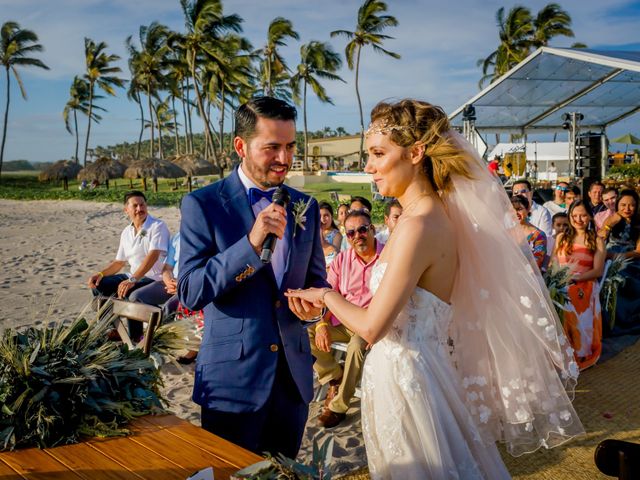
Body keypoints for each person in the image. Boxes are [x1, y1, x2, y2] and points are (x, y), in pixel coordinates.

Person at [287, 99, 582, 478]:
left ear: (415, 152)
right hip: (419, 370)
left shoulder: (418, 225)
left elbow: (373, 326)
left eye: (378, 154)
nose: (369, 167)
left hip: (408, 378)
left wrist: (325, 296)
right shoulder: (429, 215)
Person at [177, 96, 328, 459]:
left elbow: (319, 283)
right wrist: (249, 243)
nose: (284, 158)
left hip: (292, 381)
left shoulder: (304, 206)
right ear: (241, 146)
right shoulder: (203, 205)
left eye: (290, 146)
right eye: (272, 147)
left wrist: (315, 310)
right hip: (232, 384)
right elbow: (189, 291)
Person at [311, 209, 382, 428]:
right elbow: (327, 293)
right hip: (342, 322)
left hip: (370, 324)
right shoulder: (342, 259)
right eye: (351, 233)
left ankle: (339, 405)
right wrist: (322, 324)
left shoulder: (387, 256)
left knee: (355, 347)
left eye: (362, 229)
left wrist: (376, 328)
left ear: (372, 229)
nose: (357, 236)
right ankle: (334, 375)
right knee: (303, 332)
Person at [88, 190, 170, 340]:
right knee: (100, 285)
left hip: (154, 278)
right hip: (133, 275)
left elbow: (153, 255)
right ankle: (114, 330)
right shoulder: (126, 232)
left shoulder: (157, 226)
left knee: (129, 293)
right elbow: (119, 262)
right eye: (135, 206)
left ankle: (136, 337)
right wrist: (100, 274)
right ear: (126, 210)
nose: (140, 209)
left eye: (142, 204)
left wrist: (133, 280)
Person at [552, 200, 605, 370]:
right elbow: (554, 263)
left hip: (584, 282)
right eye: (574, 216)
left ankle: (578, 350)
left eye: (582, 215)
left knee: (570, 292)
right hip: (560, 282)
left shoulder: (597, 240)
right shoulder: (561, 237)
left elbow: (597, 271)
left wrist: (575, 279)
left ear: (590, 216)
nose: (578, 219)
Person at [599, 189, 640, 336]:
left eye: (631, 205)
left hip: (630, 259)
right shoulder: (612, 219)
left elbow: (638, 252)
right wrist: (609, 225)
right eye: (623, 205)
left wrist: (615, 256)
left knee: (618, 280)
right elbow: (600, 239)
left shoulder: (638, 223)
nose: (627, 209)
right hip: (607, 255)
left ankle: (618, 322)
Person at [511, 195, 547, 270]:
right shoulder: (506, 233)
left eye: (519, 209)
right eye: (512, 210)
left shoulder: (539, 235)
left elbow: (537, 262)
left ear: (528, 209)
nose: (516, 213)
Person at [318, 201, 342, 268]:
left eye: (326, 215)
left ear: (331, 216)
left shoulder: (336, 235)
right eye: (319, 216)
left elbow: (336, 253)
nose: (322, 219)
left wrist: (324, 242)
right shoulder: (314, 232)